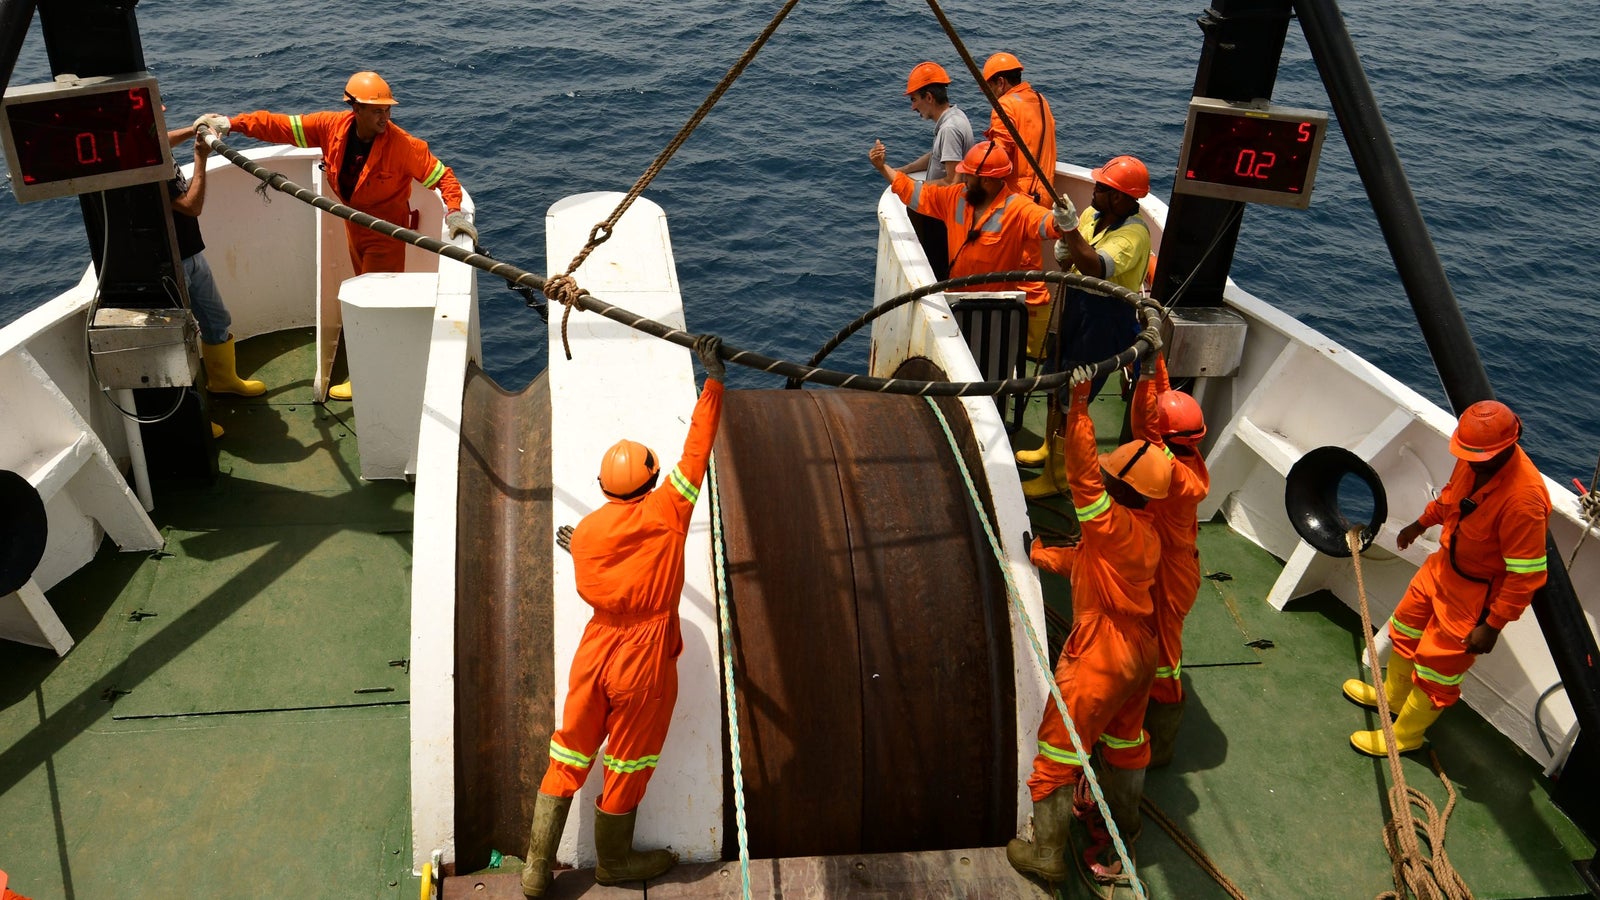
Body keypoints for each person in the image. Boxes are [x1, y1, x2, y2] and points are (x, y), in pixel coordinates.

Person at [520, 334, 727, 898]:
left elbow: (601, 558)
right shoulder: (669, 510)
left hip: (597, 649)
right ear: (651, 480)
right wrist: (713, 383)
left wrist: (578, 547)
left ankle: (537, 868)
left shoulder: (585, 535)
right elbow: (696, 452)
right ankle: (613, 862)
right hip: (643, 656)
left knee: (569, 749)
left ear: (604, 488)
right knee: (629, 760)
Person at [201, 71, 477, 401]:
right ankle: (374, 366)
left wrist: (455, 212)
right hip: (353, 226)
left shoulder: (402, 146)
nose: (384, 117)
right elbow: (283, 126)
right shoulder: (332, 127)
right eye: (377, 110)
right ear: (355, 108)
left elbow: (442, 176)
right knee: (367, 297)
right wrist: (234, 124)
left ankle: (372, 378)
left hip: (385, 234)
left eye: (387, 110)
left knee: (376, 304)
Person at [1007, 369, 1170, 887]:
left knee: (1056, 753)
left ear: (1121, 488)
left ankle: (1047, 854)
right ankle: (1126, 826)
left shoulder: (1110, 522)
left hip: (1099, 654)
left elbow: (1082, 479)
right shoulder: (1144, 533)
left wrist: (1078, 408)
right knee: (1125, 742)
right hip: (1140, 652)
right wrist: (1038, 555)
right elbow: (1083, 562)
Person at [1342, 400, 1550, 755]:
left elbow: (1525, 577)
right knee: (1405, 630)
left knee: (1439, 670)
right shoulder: (1472, 459)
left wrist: (1493, 625)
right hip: (1440, 569)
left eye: (1477, 456)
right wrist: (1420, 523)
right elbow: (1451, 499)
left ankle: (1404, 736)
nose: (1470, 461)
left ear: (1507, 447)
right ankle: (1391, 697)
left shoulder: (1524, 501)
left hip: (1475, 595)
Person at [1018, 155, 1152, 499]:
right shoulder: (1093, 215)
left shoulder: (1134, 235)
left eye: (1103, 188)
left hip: (1105, 320)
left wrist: (1070, 231)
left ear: (1122, 198)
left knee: (1073, 397)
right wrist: (1066, 246)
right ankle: (1050, 447)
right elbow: (1073, 259)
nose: (1095, 190)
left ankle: (1059, 475)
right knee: (1054, 378)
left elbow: (1096, 267)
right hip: (1077, 307)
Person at [869, 139, 1070, 358]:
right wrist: (882, 167)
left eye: (969, 175)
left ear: (986, 181)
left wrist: (1063, 219)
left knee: (991, 369)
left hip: (996, 313)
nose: (964, 179)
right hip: (957, 306)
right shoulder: (956, 197)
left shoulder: (1018, 208)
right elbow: (915, 194)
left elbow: (1047, 224)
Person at [1130, 352, 1210, 765]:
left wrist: (1143, 374)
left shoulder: (1175, 475)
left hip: (1172, 573)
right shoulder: (1187, 458)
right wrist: (1156, 358)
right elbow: (1163, 404)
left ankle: (1159, 740)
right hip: (1176, 562)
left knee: (1165, 658)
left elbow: (1146, 424)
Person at [165, 122, 268, 438]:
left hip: (191, 253)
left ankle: (222, 381)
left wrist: (192, 128)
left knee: (216, 319)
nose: (163, 110)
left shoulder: (148, 143)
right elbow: (191, 206)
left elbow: (161, 139)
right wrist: (200, 157)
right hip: (171, 263)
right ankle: (189, 419)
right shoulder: (144, 166)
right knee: (176, 342)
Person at [896, 61, 974, 281]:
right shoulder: (956, 117)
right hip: (948, 214)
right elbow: (938, 157)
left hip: (942, 216)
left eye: (914, 99)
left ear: (929, 97)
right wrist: (904, 170)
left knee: (938, 272)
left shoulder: (949, 129)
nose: (913, 107)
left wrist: (913, 187)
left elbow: (952, 181)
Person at [981, 52, 1057, 207]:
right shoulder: (1041, 101)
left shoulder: (1005, 105)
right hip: (1045, 198)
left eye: (989, 88)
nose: (989, 95)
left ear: (1000, 82)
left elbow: (998, 157)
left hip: (1018, 199)